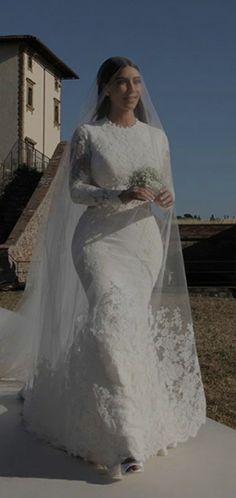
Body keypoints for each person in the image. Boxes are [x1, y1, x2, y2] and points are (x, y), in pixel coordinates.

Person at [0, 56, 206, 481]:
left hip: (140, 244)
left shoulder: (156, 138)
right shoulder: (89, 135)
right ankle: (125, 440)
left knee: (127, 325)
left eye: (136, 81)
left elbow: (166, 187)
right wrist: (119, 192)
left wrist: (163, 198)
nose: (131, 89)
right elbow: (76, 189)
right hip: (97, 241)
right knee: (109, 318)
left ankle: (132, 414)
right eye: (121, 82)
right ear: (106, 89)